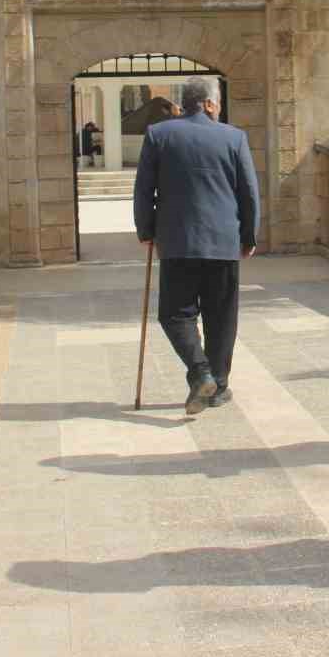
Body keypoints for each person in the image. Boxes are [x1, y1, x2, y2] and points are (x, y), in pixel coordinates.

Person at [133, 76, 260, 415]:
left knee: (175, 314)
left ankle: (200, 371)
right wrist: (249, 236)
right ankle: (216, 384)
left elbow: (143, 189)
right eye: (216, 103)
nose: (217, 108)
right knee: (221, 316)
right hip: (223, 242)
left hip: (177, 241)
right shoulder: (234, 138)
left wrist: (145, 230)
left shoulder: (159, 135)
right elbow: (248, 192)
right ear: (208, 103)